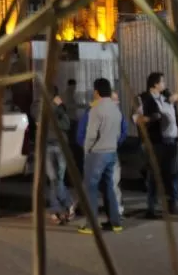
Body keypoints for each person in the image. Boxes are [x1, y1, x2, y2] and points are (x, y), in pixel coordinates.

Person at [77, 77, 124, 235]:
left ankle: (91, 225)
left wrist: (86, 149)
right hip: (112, 151)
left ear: (96, 91)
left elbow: (91, 134)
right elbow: (118, 132)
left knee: (90, 188)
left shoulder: (96, 109)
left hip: (97, 153)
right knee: (108, 187)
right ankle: (115, 222)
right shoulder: (115, 109)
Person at [135, 72, 178, 219]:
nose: (165, 84)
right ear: (155, 84)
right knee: (154, 174)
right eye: (162, 82)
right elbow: (137, 118)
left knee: (175, 173)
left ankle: (174, 204)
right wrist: (150, 118)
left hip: (172, 141)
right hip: (156, 142)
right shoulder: (143, 99)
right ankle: (151, 207)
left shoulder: (165, 98)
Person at [45, 87, 74, 224]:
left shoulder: (60, 109)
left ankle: (59, 208)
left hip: (60, 145)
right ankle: (66, 205)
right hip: (48, 146)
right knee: (53, 179)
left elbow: (66, 124)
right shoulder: (41, 107)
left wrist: (59, 108)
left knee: (58, 179)